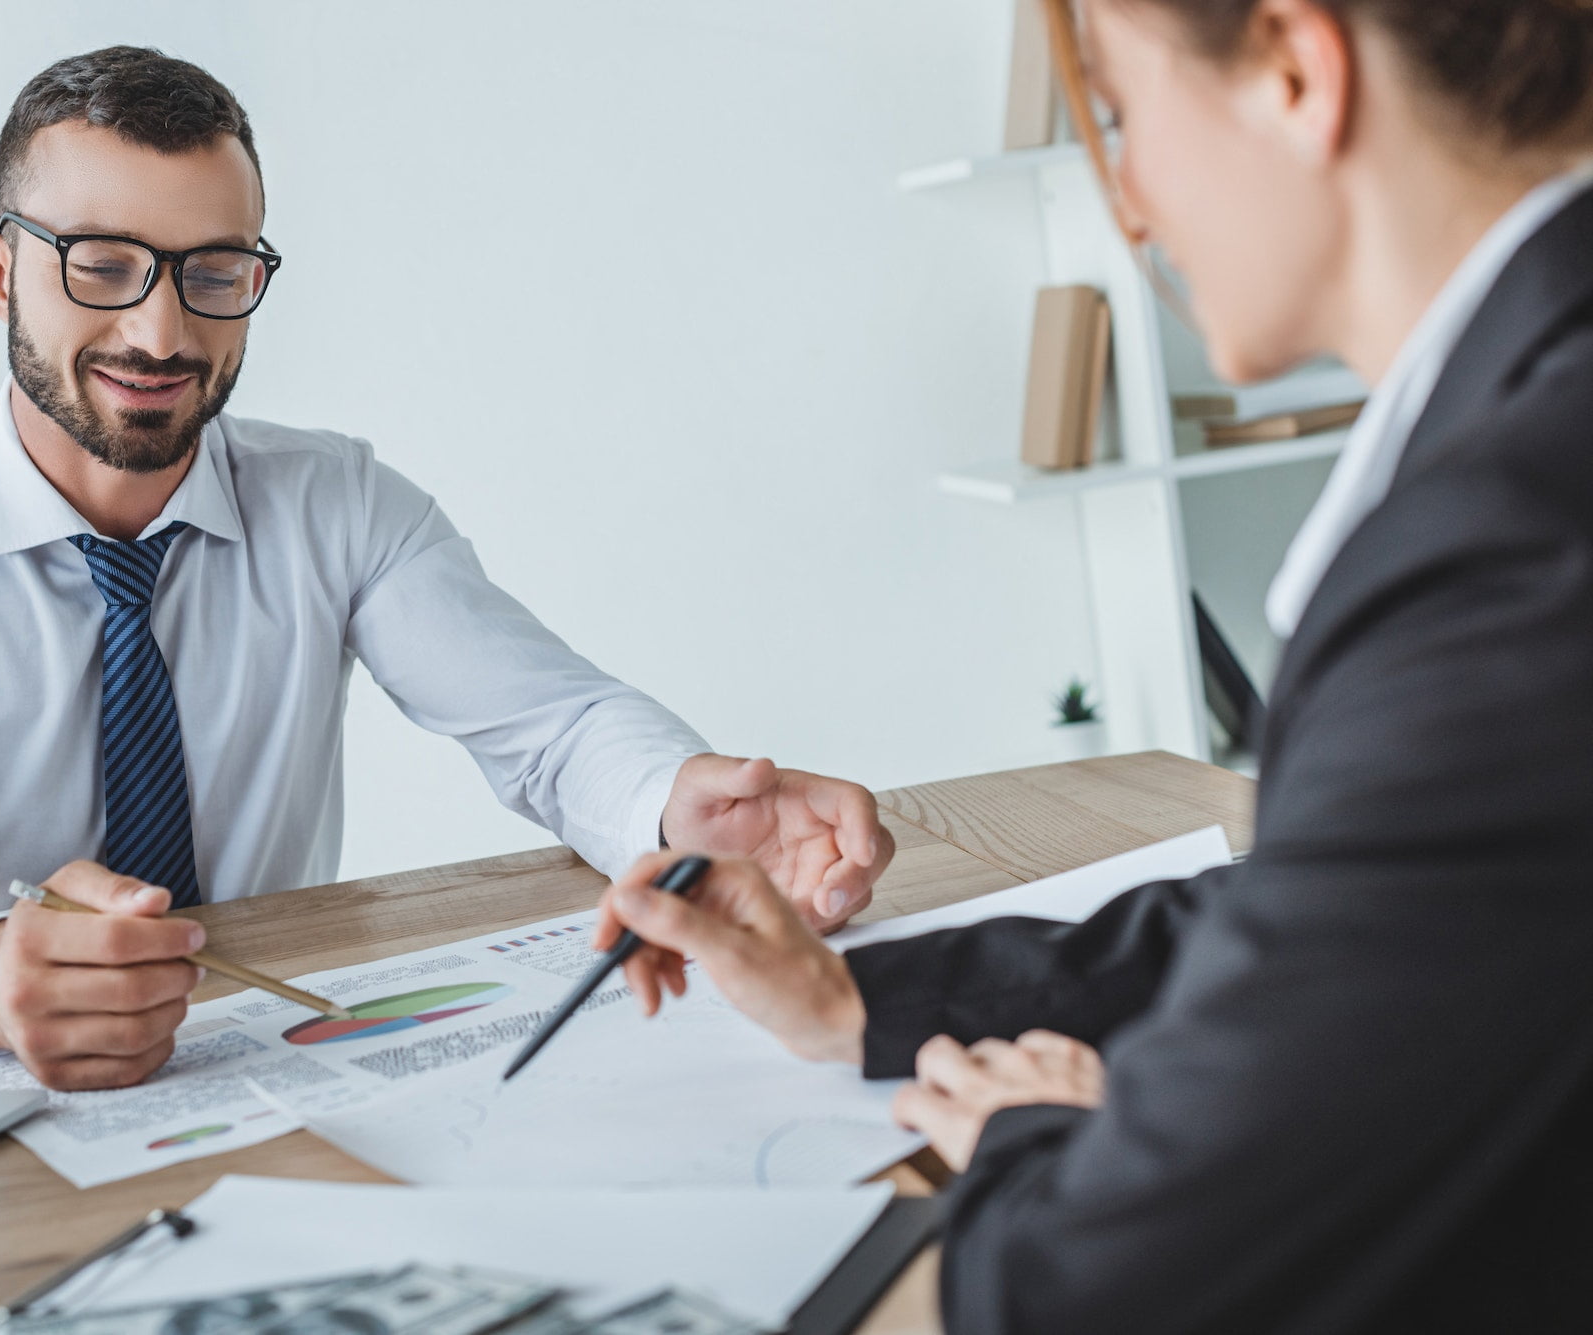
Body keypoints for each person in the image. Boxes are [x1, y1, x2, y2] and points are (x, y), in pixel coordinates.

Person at [598, 0, 1593, 1329]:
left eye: (1122, 116)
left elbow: (1108, 1287)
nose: (1125, 198)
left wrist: (1033, 1139)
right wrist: (866, 998)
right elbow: (1328, 913)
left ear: (1297, 70)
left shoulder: (1505, 543)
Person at [0, 46, 893, 1092]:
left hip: (268, 1075)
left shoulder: (339, 502)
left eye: (214, 272)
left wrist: (680, 805)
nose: (161, 330)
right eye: (101, 264)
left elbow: (553, 729)